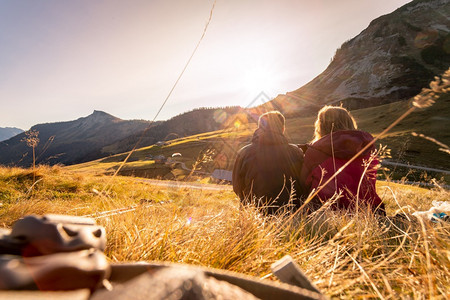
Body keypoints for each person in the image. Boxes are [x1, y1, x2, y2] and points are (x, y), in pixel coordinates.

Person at [300, 105, 385, 215]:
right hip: (369, 210)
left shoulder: (315, 151)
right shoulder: (367, 148)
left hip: (326, 213)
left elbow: (304, 183)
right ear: (350, 122)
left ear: (320, 126)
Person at [232, 111, 306, 215]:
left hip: (254, 217)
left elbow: (237, 188)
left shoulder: (244, 153)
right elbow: (303, 184)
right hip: (291, 216)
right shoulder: (296, 152)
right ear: (283, 129)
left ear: (259, 128)